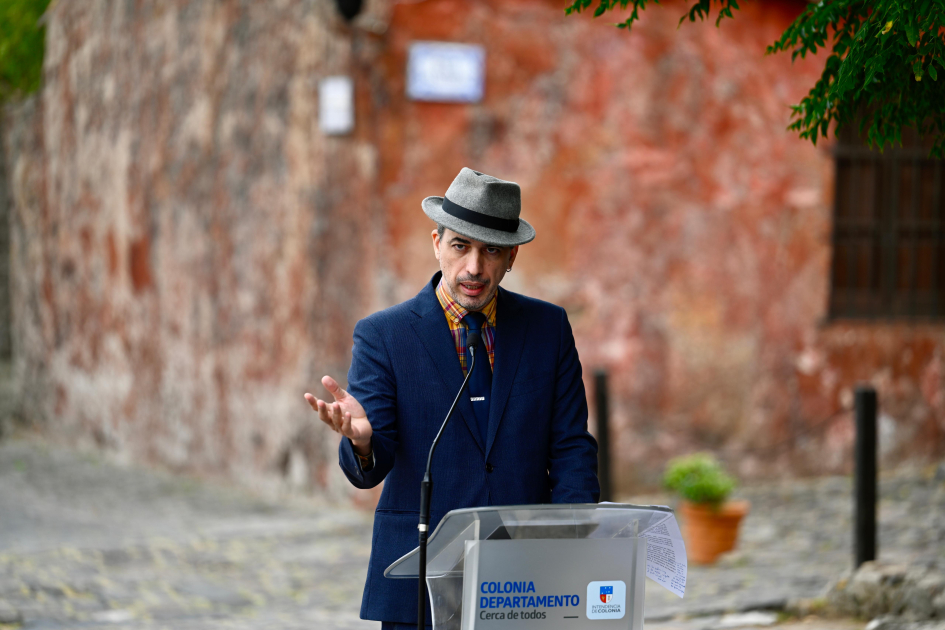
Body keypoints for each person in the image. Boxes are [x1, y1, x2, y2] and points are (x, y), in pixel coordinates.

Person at [304, 167, 599, 629]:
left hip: (526, 578)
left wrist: (571, 543)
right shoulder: (384, 336)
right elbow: (371, 466)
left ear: (512, 256)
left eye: (491, 250)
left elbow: (571, 448)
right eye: (461, 245)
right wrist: (362, 442)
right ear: (436, 243)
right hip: (419, 578)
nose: (474, 268)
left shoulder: (548, 329)